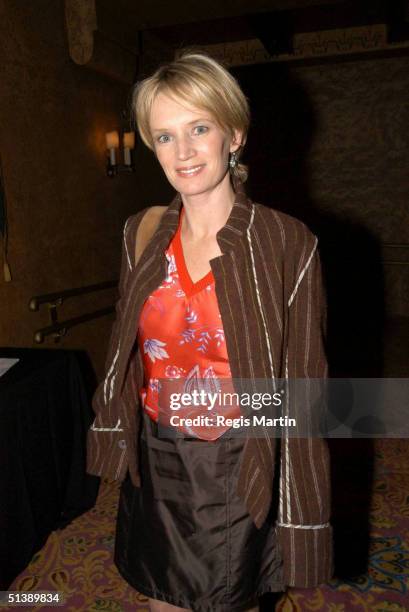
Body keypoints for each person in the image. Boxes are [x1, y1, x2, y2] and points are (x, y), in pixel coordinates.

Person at [86, 51, 334, 612]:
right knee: (160, 598)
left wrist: (302, 518)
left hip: (236, 461)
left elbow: (304, 390)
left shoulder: (286, 243)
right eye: (166, 136)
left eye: (199, 128)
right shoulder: (140, 232)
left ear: (235, 133)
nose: (185, 151)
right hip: (155, 456)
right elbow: (126, 349)